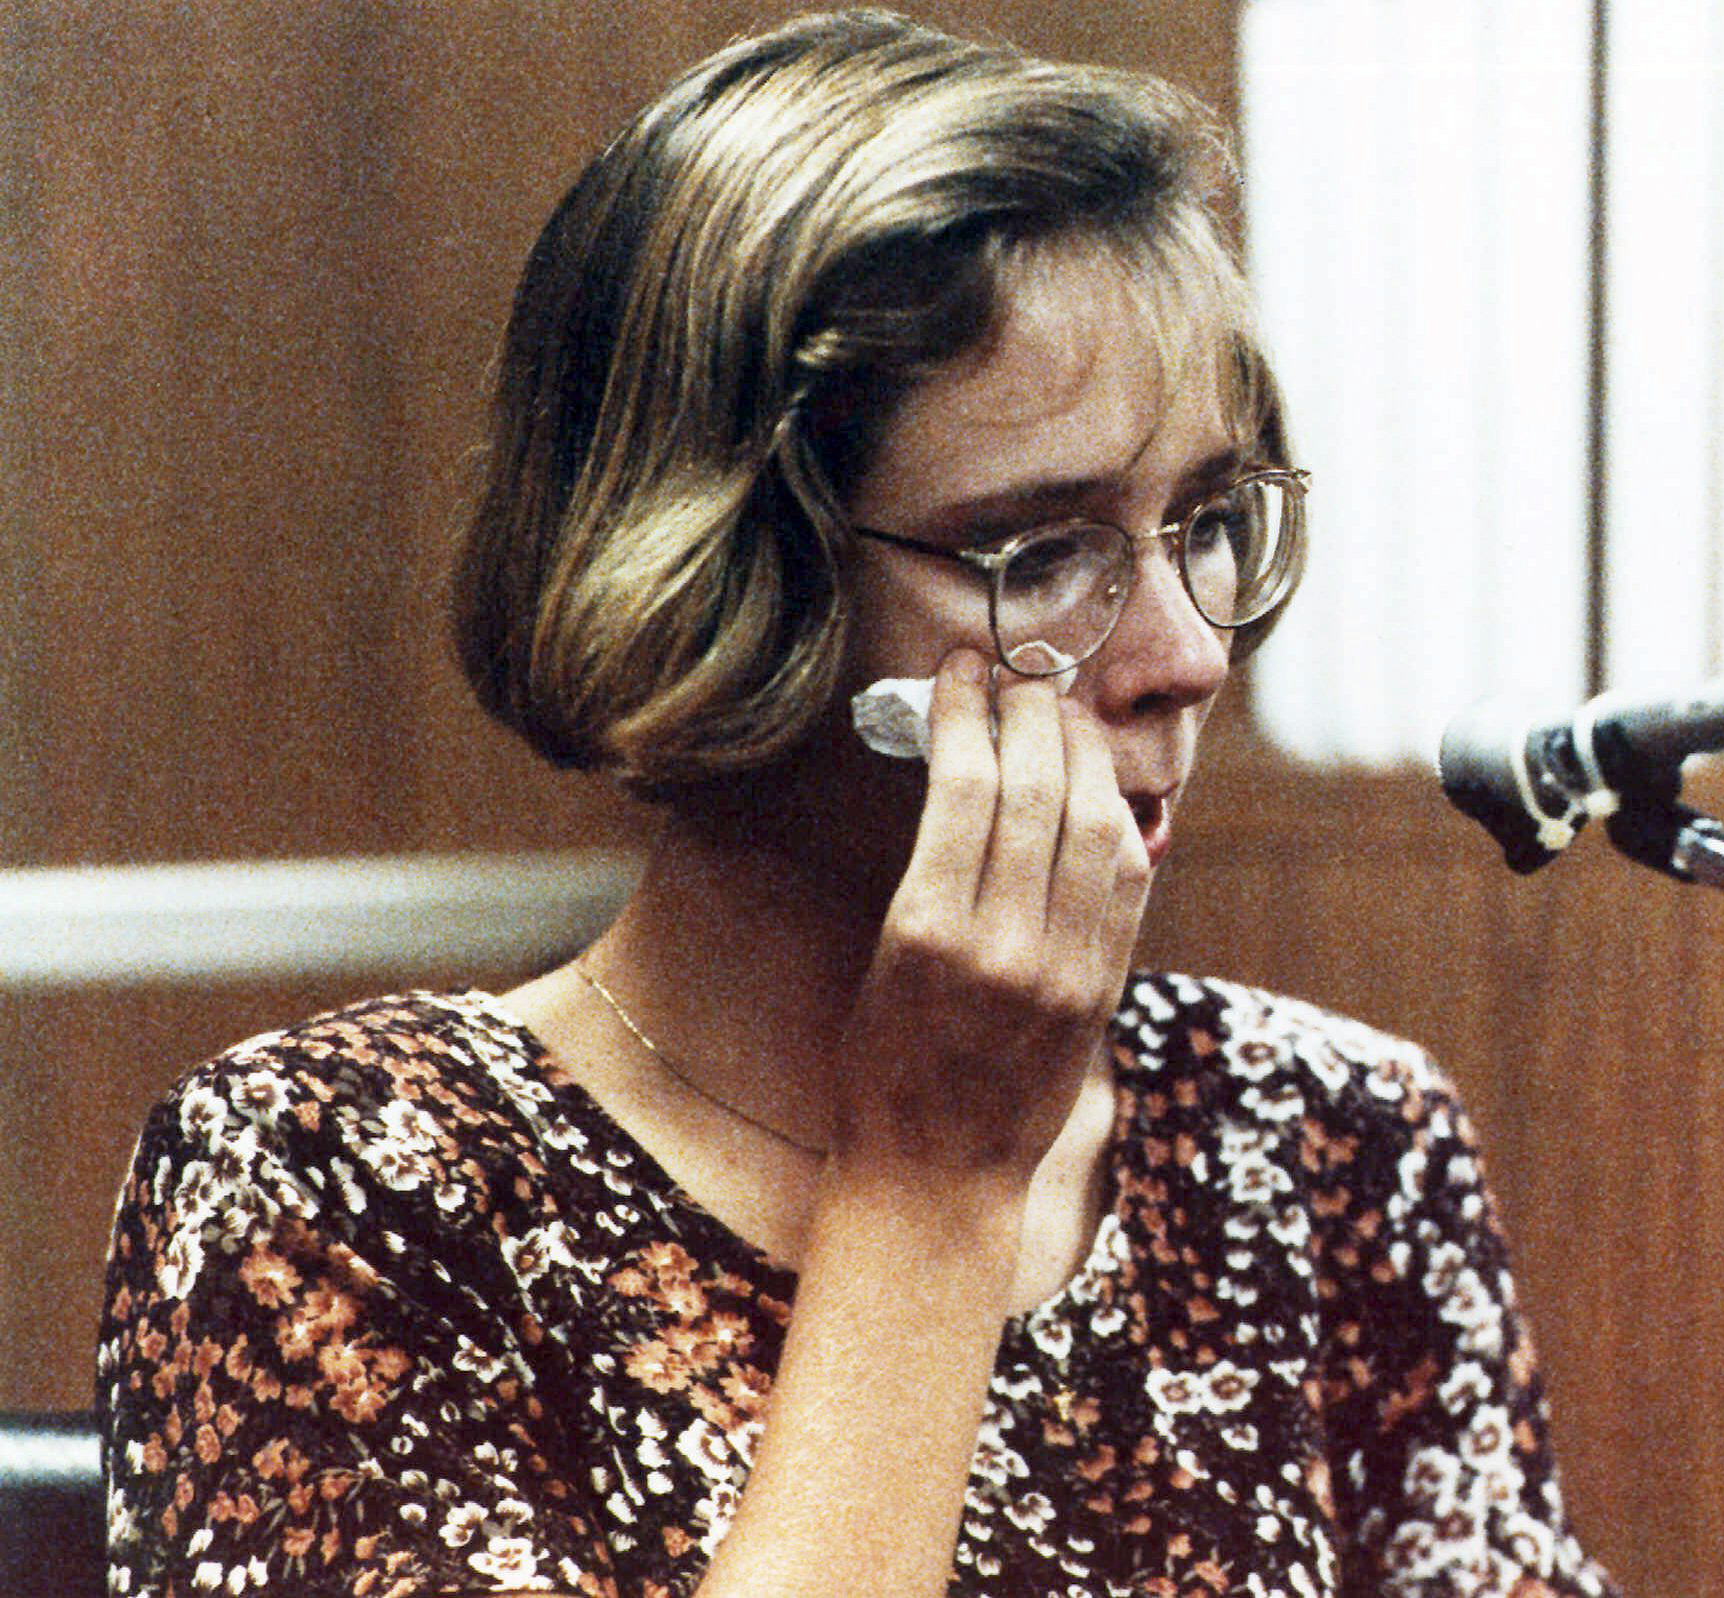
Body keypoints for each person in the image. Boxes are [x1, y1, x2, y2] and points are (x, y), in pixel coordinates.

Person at [96, 11, 1618, 1597]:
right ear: (720, 585)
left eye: (1208, 523)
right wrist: (934, 1179)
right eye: (1041, 550)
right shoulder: (338, 1179)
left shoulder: (1331, 1139)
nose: (1183, 653)